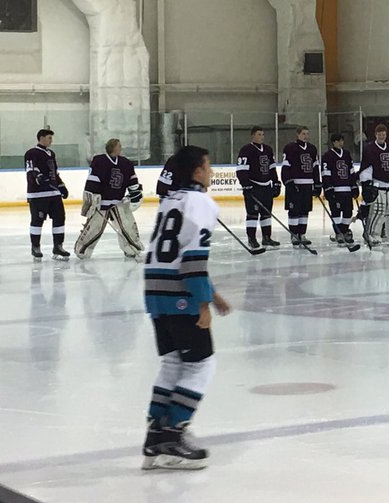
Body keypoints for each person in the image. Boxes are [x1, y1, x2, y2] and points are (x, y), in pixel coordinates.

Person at [141, 145, 231, 471]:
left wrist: (213, 292)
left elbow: (170, 252)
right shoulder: (202, 202)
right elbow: (192, 258)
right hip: (179, 294)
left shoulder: (170, 201)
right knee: (200, 365)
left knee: (173, 362)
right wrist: (202, 304)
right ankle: (175, 434)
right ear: (197, 172)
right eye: (208, 167)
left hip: (154, 290)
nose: (212, 172)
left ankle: (156, 436)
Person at [75, 138, 145, 260]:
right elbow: (92, 180)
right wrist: (92, 199)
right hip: (101, 202)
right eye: (119, 145)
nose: (121, 147)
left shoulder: (126, 163)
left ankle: (132, 250)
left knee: (127, 226)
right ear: (113, 148)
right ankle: (82, 250)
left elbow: (132, 182)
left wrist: (135, 196)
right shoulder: (99, 161)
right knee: (95, 228)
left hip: (118, 201)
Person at [25, 128, 70, 261]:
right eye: (49, 138)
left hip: (53, 193)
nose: (51, 140)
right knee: (37, 220)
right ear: (42, 138)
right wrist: (38, 177)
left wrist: (61, 186)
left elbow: (54, 173)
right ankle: (35, 247)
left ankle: (58, 246)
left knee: (60, 218)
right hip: (38, 194)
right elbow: (30, 170)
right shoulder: (31, 153)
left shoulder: (51, 154)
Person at [237, 126, 280, 249]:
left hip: (266, 187)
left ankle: (267, 237)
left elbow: (272, 168)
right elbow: (241, 169)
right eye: (259, 134)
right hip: (253, 186)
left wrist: (276, 182)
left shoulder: (268, 149)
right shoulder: (246, 150)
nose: (262, 137)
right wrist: (246, 185)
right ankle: (252, 238)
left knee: (266, 214)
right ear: (253, 136)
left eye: (263, 134)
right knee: (252, 214)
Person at [278, 126, 320, 246]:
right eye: (303, 134)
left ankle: (302, 234)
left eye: (307, 133)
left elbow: (315, 167)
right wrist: (288, 182)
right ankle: (294, 235)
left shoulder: (312, 149)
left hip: (308, 185)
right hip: (295, 185)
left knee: (304, 211)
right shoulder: (290, 148)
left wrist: (317, 183)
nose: (306, 136)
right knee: (294, 211)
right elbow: (286, 167)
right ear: (298, 134)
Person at [321, 133, 358, 246]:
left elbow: (351, 172)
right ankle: (339, 233)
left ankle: (343, 231)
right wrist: (328, 188)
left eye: (342, 140)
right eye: (338, 141)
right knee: (336, 212)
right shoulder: (327, 156)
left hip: (347, 189)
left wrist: (354, 186)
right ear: (334, 142)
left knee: (348, 212)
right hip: (335, 190)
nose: (341, 143)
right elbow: (325, 174)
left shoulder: (346, 154)